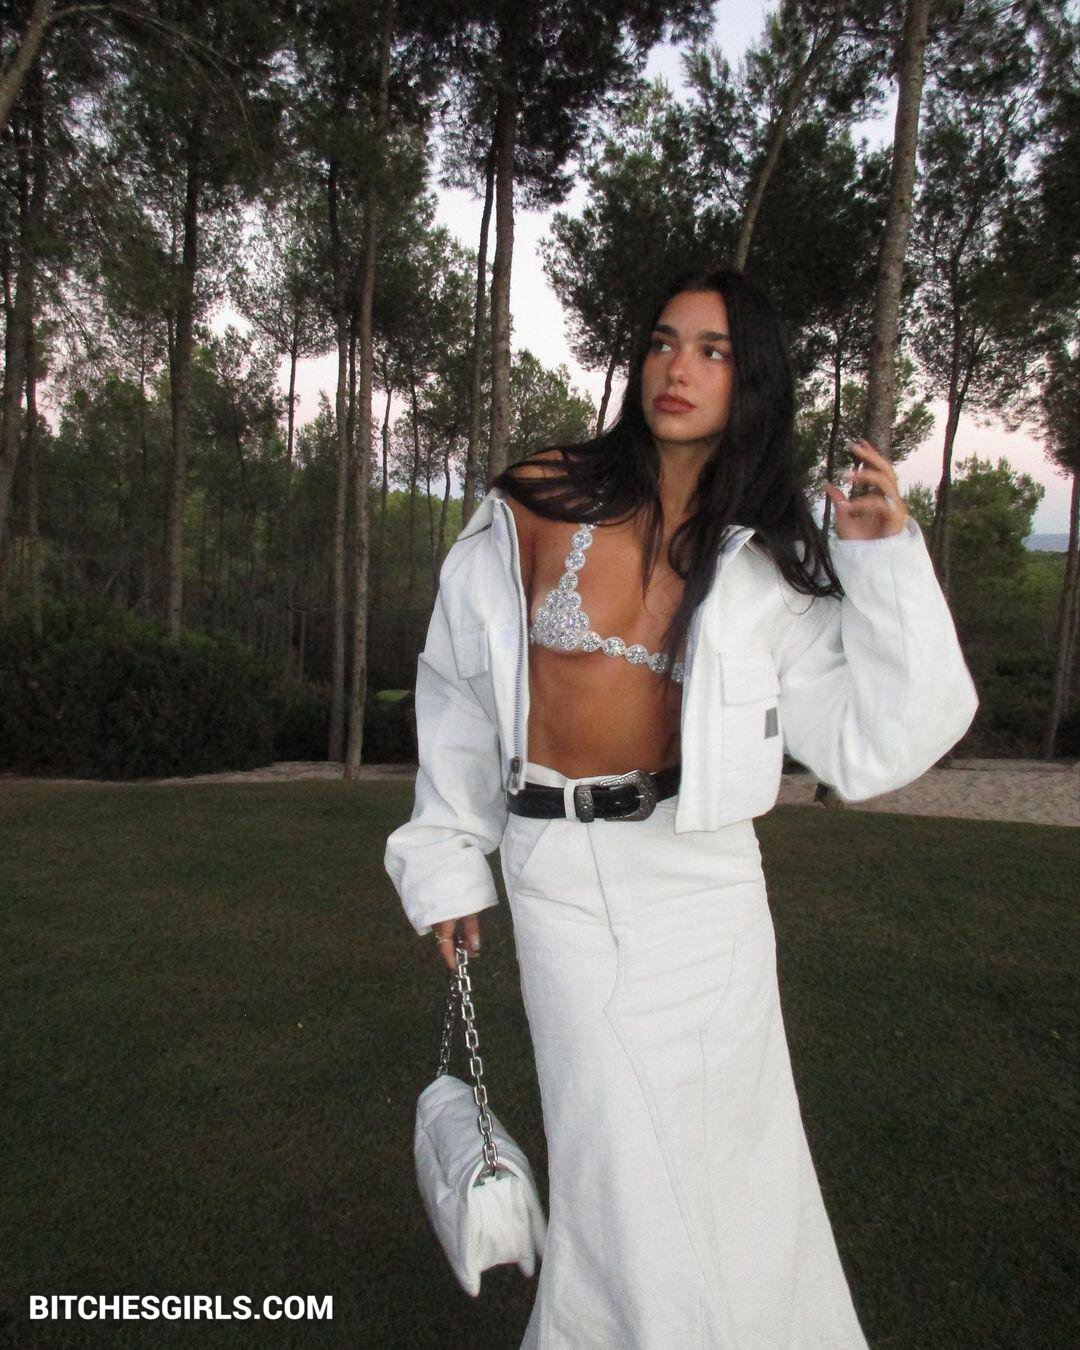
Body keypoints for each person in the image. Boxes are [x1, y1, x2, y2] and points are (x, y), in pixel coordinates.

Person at [384, 266, 979, 1349]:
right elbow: (459, 688)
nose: (679, 368)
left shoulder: (770, 553)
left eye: (714, 351)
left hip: (705, 884)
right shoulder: (542, 495)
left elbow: (876, 742)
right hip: (558, 875)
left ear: (752, 381)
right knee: (615, 1170)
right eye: (664, 341)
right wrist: (446, 857)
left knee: (744, 1171)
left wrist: (885, 563)